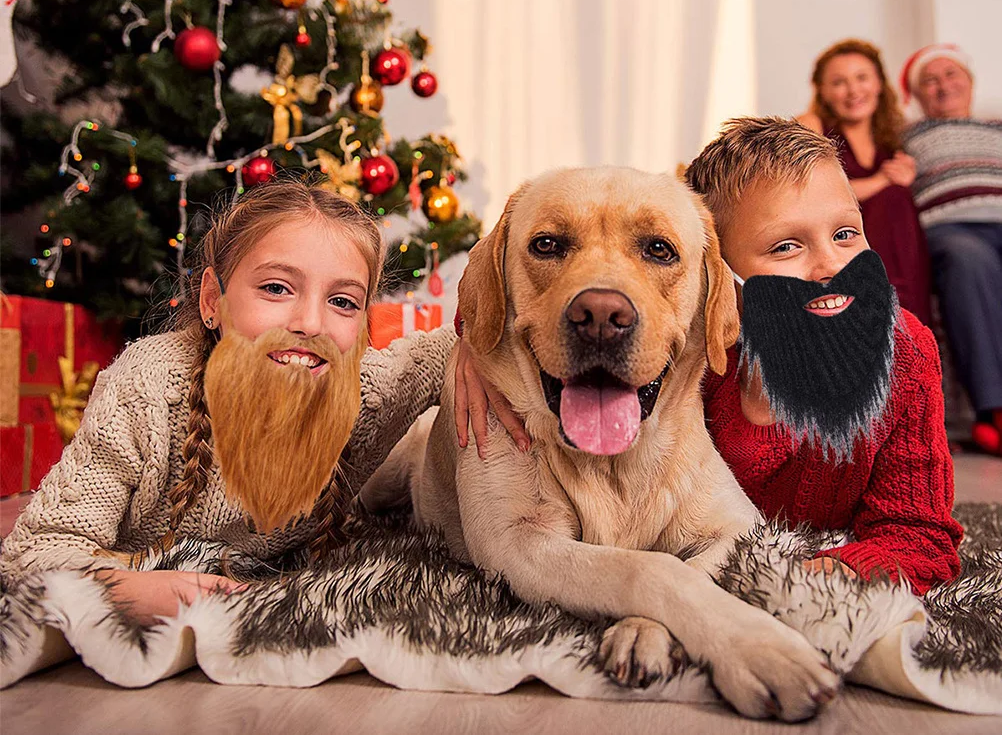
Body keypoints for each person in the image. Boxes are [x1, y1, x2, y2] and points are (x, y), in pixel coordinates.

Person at [456, 120, 962, 594]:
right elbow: (507, 292)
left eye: (846, 233)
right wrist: (470, 346)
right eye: (786, 246)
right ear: (718, 284)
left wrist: (822, 574)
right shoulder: (705, 348)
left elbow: (920, 534)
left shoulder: (903, 356)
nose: (832, 264)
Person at [0, 179, 525, 622]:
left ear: (364, 326)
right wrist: (140, 591)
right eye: (276, 289)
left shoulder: (367, 392)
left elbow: (445, 346)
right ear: (212, 301)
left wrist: (471, 351)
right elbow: (32, 555)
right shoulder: (147, 390)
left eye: (342, 302)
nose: (309, 323)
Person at [900, 44, 1002, 456]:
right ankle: (993, 412)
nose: (944, 86)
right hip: (951, 230)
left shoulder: (996, 127)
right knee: (968, 261)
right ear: (918, 96)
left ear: (970, 82)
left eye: (952, 74)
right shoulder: (906, 137)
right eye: (931, 79)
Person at [798, 39, 931, 325]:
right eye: (839, 82)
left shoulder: (894, 136)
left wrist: (905, 179)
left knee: (897, 197)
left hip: (894, 252)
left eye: (862, 78)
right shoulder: (812, 126)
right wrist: (883, 180)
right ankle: (893, 318)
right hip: (839, 243)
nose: (853, 90)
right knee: (892, 194)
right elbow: (813, 198)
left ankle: (909, 322)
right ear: (822, 90)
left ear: (879, 84)